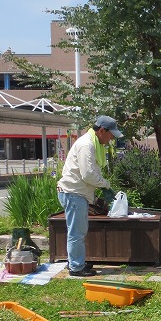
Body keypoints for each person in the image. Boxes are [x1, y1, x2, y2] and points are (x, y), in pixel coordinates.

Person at [57, 115, 123, 277]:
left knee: (78, 231)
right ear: (101, 130)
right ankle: (76, 268)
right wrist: (105, 185)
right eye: (110, 135)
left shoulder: (92, 143)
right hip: (73, 193)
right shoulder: (87, 144)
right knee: (77, 232)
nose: (111, 139)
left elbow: (90, 173)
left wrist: (101, 185)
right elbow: (88, 175)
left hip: (76, 193)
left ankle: (76, 261)